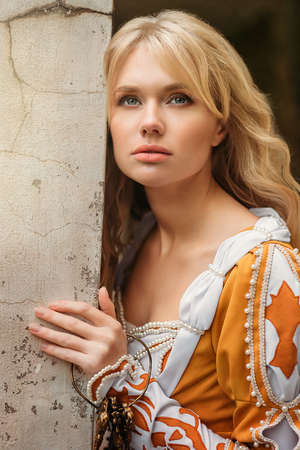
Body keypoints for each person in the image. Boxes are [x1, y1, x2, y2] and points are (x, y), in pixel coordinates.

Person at [29, 10, 300, 449]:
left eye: (178, 99)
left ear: (221, 125)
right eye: (129, 100)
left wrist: (124, 383)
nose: (150, 121)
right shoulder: (132, 243)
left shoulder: (263, 269)